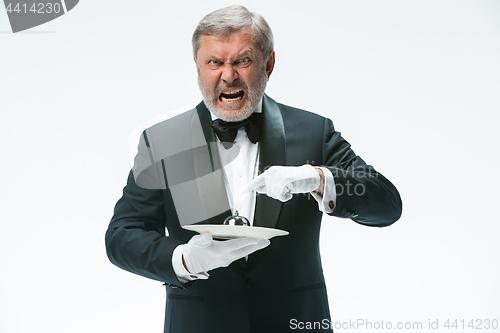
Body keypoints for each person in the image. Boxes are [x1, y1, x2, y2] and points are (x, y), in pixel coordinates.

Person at [105, 5, 402, 333]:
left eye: (242, 61)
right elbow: (122, 236)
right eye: (214, 62)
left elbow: (386, 205)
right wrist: (186, 260)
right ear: (197, 66)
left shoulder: (313, 132)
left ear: (269, 63)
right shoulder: (163, 141)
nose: (228, 75)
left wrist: (319, 178)